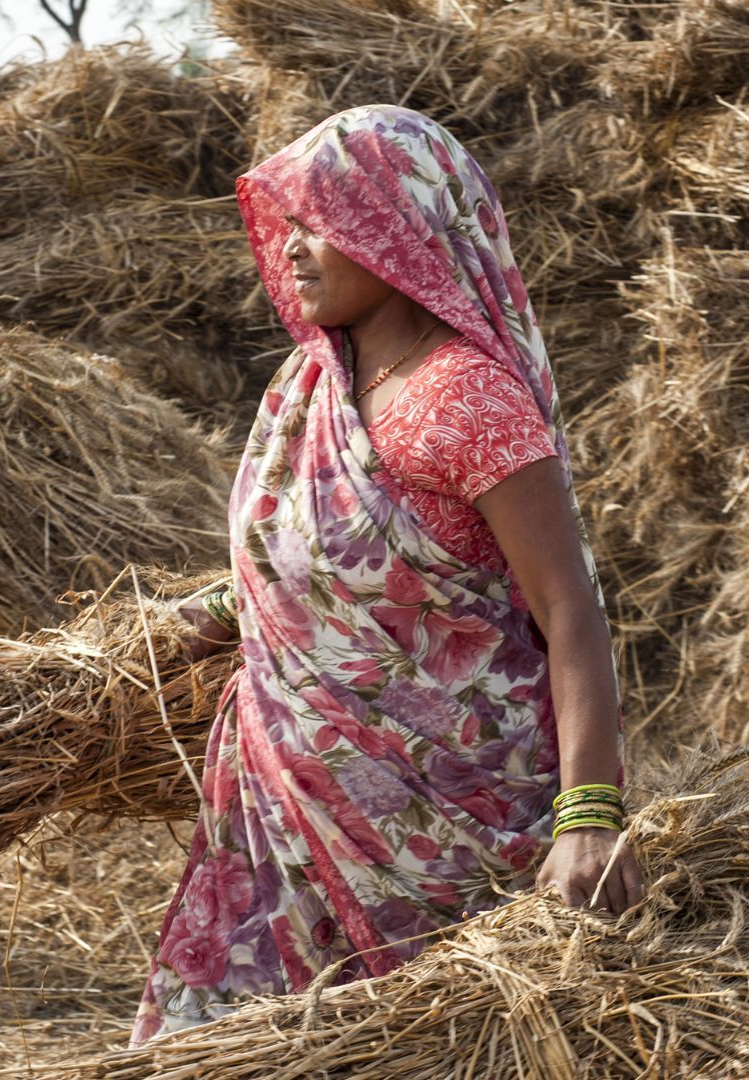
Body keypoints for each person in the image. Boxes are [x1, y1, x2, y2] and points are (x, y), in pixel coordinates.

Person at [131, 104, 642, 1043]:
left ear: (399, 225)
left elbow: (569, 609)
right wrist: (174, 626)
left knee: (427, 1048)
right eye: (284, 223)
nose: (289, 248)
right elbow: (301, 563)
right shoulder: (308, 387)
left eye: (317, 222)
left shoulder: (469, 402)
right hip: (289, 808)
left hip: (450, 830)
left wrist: (590, 817)